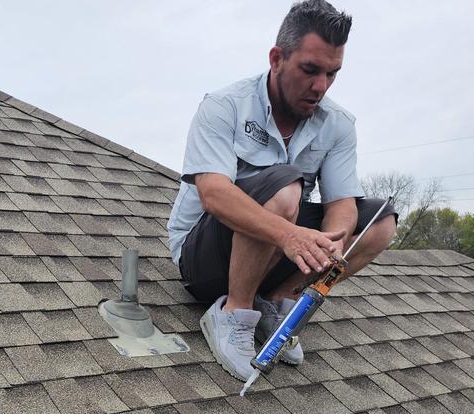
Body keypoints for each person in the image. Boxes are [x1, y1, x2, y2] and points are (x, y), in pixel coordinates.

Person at [167, 0, 397, 381]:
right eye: (310, 70)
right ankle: (233, 315)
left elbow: (342, 203)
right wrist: (290, 236)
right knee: (286, 183)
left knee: (380, 220)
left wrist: (331, 245)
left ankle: (279, 302)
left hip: (272, 257)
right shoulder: (225, 106)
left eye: (332, 74)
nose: (320, 86)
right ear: (276, 59)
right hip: (202, 260)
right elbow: (213, 193)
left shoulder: (338, 124)